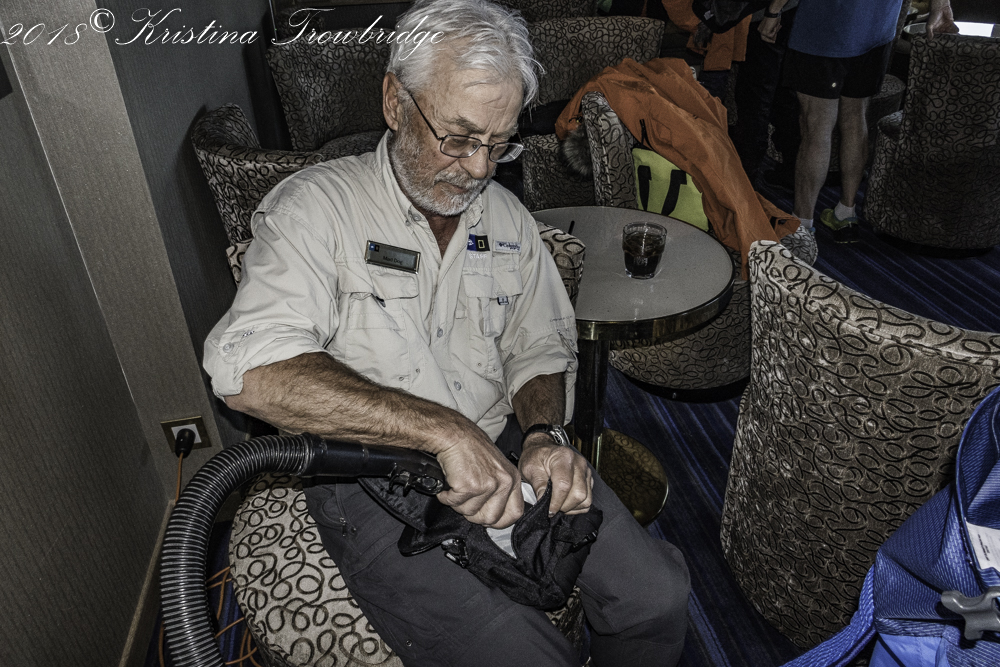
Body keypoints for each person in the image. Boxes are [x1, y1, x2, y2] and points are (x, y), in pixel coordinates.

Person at [202, 1, 690, 665]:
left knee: (657, 596)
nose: (481, 169)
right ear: (395, 101)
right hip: (371, 478)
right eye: (458, 138)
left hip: (506, 444)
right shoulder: (314, 209)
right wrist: (445, 432)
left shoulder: (508, 220)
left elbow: (540, 347)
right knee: (525, 655)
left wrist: (543, 435)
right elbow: (251, 373)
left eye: (500, 143)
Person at [759, 0, 957, 242]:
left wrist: (773, 11)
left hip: (825, 28)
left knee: (816, 128)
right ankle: (846, 213)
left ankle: (801, 226)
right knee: (856, 119)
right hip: (878, 29)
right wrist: (941, 5)